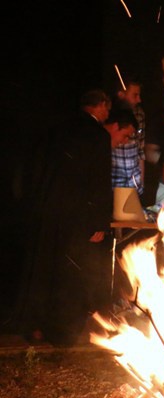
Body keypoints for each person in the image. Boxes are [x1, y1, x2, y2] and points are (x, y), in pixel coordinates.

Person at [19, 93, 137, 345]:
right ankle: (62, 332)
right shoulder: (97, 135)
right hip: (78, 217)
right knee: (70, 272)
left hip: (48, 211)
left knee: (44, 269)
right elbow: (98, 182)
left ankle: (34, 325)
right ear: (103, 106)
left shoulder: (58, 129)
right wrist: (99, 222)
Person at [112, 77, 146, 198]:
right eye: (135, 95)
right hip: (114, 183)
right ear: (121, 94)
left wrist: (140, 183)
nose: (139, 99)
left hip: (133, 182)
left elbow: (140, 151)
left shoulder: (139, 114)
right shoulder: (109, 115)